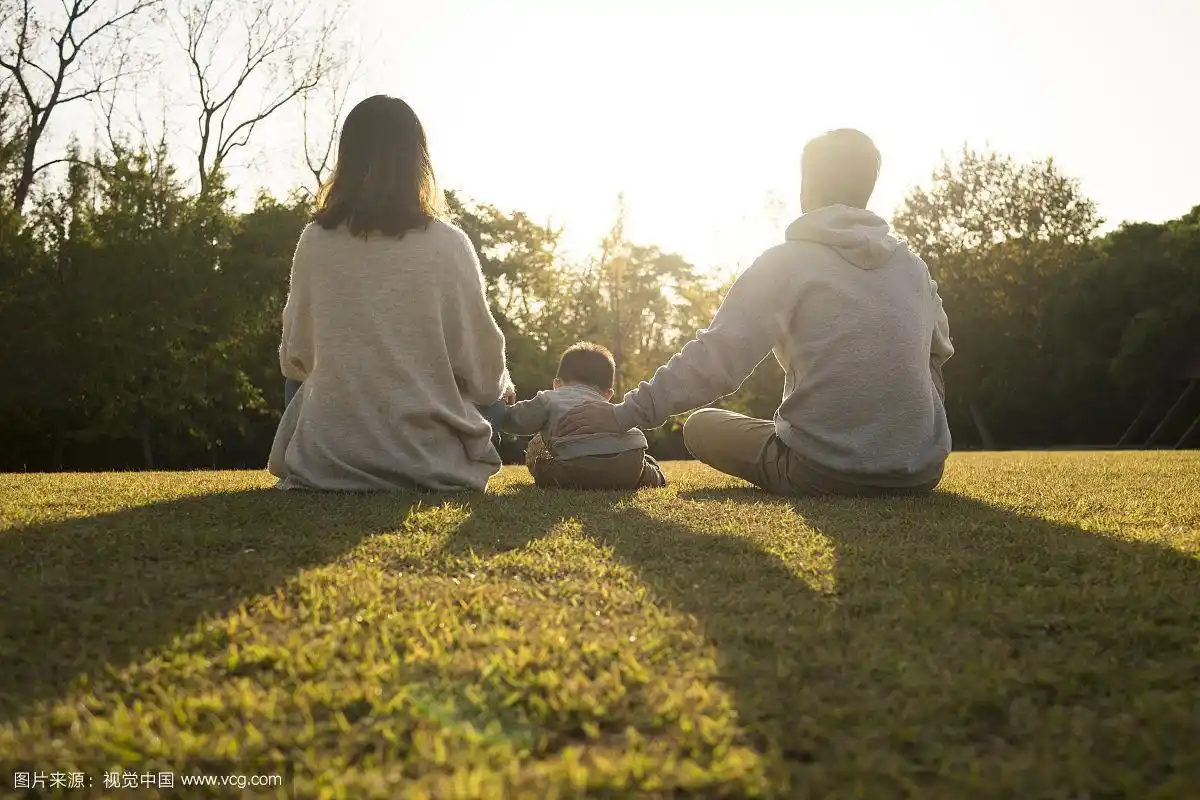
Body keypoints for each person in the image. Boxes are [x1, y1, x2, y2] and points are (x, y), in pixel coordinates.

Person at [558, 129, 954, 497]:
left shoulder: (786, 262)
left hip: (820, 471)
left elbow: (717, 359)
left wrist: (622, 415)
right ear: (868, 188)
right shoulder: (913, 268)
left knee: (700, 426)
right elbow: (937, 354)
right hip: (920, 472)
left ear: (807, 187)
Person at [268, 94, 515, 492]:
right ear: (418, 160)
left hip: (328, 461)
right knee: (498, 390)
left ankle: (337, 453)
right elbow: (484, 377)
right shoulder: (449, 244)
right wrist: (500, 385)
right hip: (430, 464)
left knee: (299, 382)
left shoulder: (315, 240)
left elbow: (296, 357)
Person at [501, 343, 666, 489]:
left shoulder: (549, 398)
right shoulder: (608, 408)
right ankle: (655, 474)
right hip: (630, 457)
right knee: (641, 470)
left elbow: (518, 420)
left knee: (540, 457)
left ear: (556, 383)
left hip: (577, 464)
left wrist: (502, 409)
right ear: (608, 393)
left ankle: (545, 472)